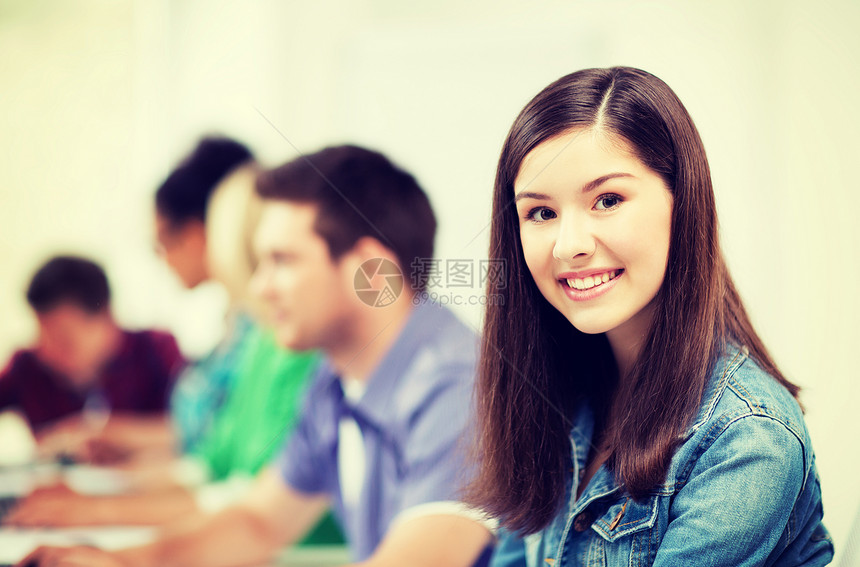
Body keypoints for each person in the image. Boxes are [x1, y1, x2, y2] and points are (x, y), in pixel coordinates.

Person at [16, 145, 494, 567]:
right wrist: (124, 560)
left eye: (282, 261)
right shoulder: (334, 380)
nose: (260, 287)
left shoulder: (455, 384)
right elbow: (258, 521)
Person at [467, 67, 834, 566]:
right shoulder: (556, 390)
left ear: (682, 204)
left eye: (608, 200)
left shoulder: (746, 436)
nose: (569, 245)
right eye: (541, 213)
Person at [0, 255, 183, 436]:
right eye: (41, 336)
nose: (49, 353)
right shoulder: (27, 365)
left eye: (64, 340)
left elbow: (195, 430)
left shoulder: (157, 349)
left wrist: (106, 435)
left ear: (106, 317)